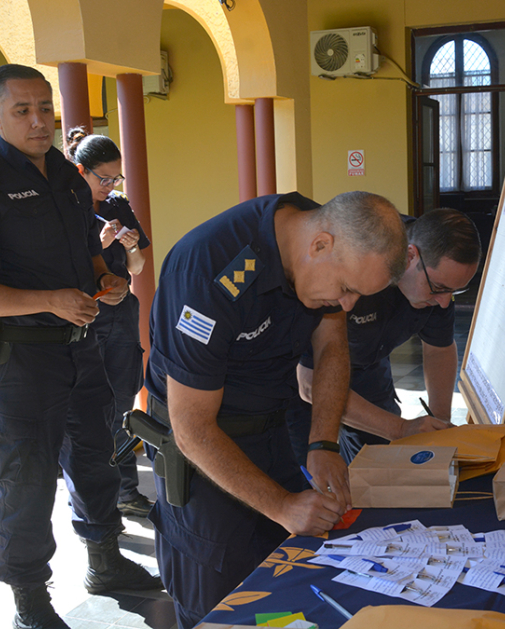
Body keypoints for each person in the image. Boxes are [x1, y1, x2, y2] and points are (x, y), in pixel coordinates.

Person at [0, 64, 162, 629]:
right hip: (19, 359)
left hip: (80, 346)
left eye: (45, 109)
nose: (38, 121)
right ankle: (30, 600)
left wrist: (104, 283)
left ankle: (105, 563)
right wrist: (51, 300)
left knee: (96, 459)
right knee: (28, 479)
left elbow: (87, 255)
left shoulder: (65, 174)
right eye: (22, 111)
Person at [144, 190, 407, 627]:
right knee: (218, 600)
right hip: (202, 452)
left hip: (271, 426)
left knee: (287, 582)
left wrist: (323, 443)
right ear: (320, 245)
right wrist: (282, 505)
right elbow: (191, 428)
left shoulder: (316, 236)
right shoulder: (209, 269)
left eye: (358, 296)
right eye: (345, 289)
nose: (346, 305)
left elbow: (332, 352)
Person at [288, 208, 482, 464]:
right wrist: (400, 428)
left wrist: (440, 425)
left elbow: (439, 349)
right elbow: (311, 383)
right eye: (440, 289)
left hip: (368, 363)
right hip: (296, 373)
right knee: (309, 475)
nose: (445, 303)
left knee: (378, 466)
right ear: (410, 255)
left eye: (454, 292)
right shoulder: (358, 265)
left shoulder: (436, 274)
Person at [64, 128, 153, 519]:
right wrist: (97, 247)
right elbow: (62, 269)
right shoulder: (65, 209)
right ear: (80, 170)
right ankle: (93, 492)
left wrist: (131, 246)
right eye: (104, 178)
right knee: (90, 405)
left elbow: (137, 267)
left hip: (122, 311)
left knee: (122, 399)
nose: (110, 186)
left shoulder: (117, 205)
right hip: (88, 316)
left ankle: (126, 490)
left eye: (116, 178)